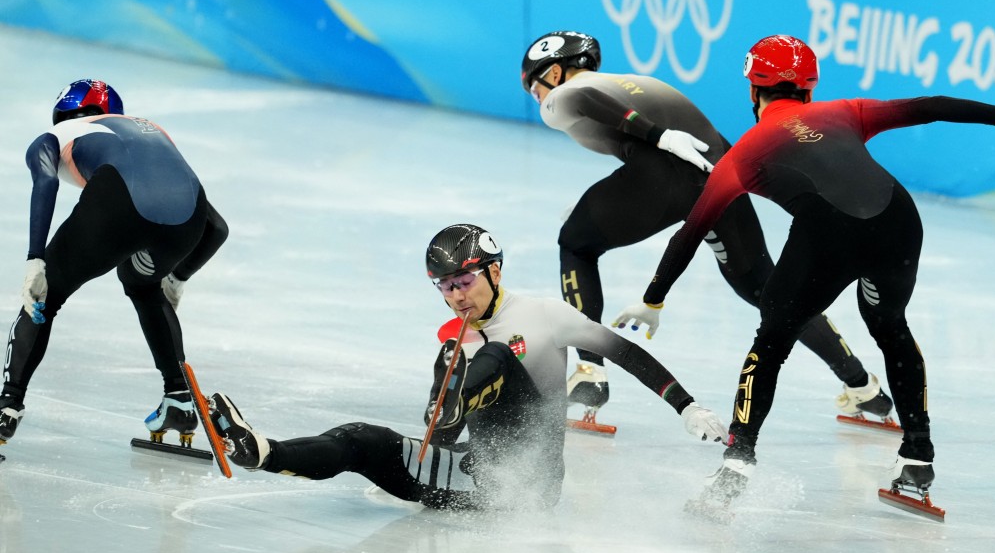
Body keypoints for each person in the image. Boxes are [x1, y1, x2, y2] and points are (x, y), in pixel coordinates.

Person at [616, 34, 995, 508]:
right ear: (808, 89)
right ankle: (917, 454)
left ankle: (738, 460)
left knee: (772, 340)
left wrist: (653, 298)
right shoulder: (846, 110)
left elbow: (692, 231)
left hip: (827, 236)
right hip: (897, 220)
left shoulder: (743, 153)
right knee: (890, 328)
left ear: (753, 91)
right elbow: (929, 106)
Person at [208, 224, 728, 511]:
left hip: (529, 485)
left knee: (495, 353)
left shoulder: (544, 315)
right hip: (471, 473)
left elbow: (625, 352)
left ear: (494, 271)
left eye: (464, 282)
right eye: (446, 287)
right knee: (359, 438)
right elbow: (445, 429)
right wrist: (443, 413)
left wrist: (686, 405)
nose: (457, 296)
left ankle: (454, 399)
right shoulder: (455, 339)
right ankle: (265, 452)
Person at [521, 30, 894, 427]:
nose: (537, 97)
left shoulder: (566, 94)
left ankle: (590, 372)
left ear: (556, 70)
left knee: (576, 244)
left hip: (662, 176)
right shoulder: (634, 82)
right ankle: (863, 387)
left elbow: (581, 99)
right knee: (767, 291)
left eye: (535, 85)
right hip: (721, 169)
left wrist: (658, 137)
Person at [0, 79, 229, 447]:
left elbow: (45, 182)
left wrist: (35, 260)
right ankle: (180, 399)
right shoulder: (152, 131)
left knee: (46, 297)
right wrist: (179, 276)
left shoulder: (54, 136)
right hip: (184, 223)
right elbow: (217, 228)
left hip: (117, 206)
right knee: (144, 285)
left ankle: (7, 407)